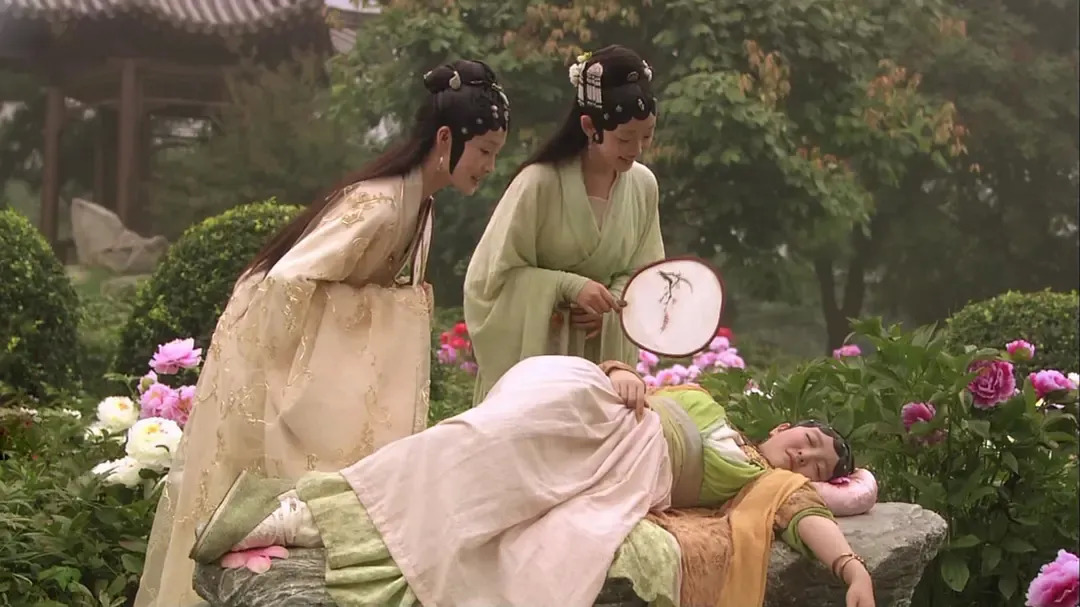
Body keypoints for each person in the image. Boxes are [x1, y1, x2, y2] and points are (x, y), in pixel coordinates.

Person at [134, 60, 511, 607]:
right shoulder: (380, 204)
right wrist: (395, 310)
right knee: (252, 508)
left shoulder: (419, 205)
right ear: (446, 138)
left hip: (298, 358)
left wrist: (391, 306)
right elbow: (285, 285)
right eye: (485, 151)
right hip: (265, 355)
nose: (490, 166)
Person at [191, 356, 877, 607]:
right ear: (786, 424)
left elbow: (808, 519)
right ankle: (316, 506)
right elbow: (627, 376)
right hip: (600, 405)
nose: (805, 457)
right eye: (808, 440)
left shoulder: (760, 483)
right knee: (484, 438)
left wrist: (852, 569)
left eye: (818, 466)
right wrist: (621, 372)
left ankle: (308, 522)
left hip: (627, 468)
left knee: (510, 505)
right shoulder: (708, 402)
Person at [463, 45, 666, 403]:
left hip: (602, 361)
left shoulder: (643, 185)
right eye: (624, 138)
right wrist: (568, 287)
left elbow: (646, 275)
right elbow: (489, 282)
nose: (637, 149)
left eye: (647, 135)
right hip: (537, 363)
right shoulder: (538, 182)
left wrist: (611, 308)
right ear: (589, 126)